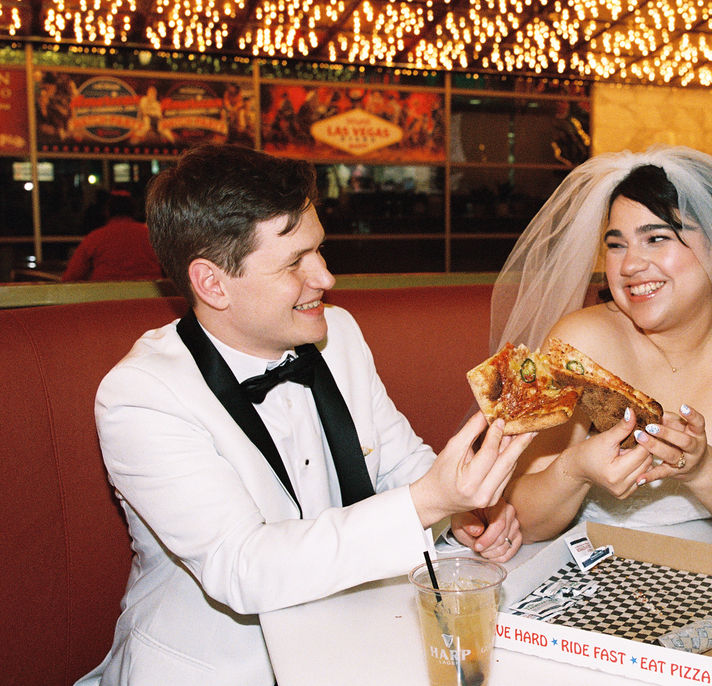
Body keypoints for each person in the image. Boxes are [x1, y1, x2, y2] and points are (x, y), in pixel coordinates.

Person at [76, 144, 533, 686]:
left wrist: (464, 513)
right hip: (224, 668)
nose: (326, 277)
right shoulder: (142, 394)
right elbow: (242, 569)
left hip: (359, 637)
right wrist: (430, 500)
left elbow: (399, 463)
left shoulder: (339, 333)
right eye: (295, 262)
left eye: (319, 250)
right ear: (212, 283)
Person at [493, 146, 712, 545]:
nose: (630, 265)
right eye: (616, 245)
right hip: (597, 567)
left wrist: (701, 468)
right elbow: (519, 521)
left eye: (656, 238)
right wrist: (575, 468)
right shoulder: (574, 342)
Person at [62, 190, 164, 282]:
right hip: (149, 298)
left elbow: (71, 276)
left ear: (107, 211)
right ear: (134, 210)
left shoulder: (96, 237)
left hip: (105, 298)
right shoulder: (151, 236)